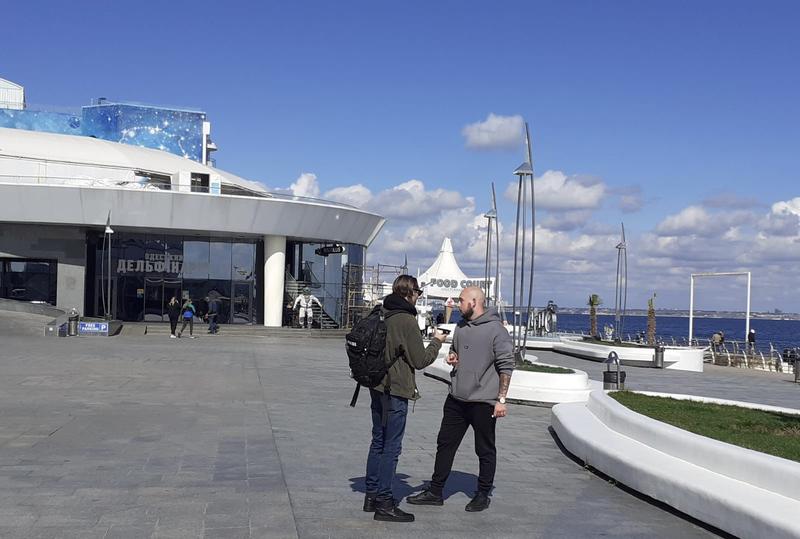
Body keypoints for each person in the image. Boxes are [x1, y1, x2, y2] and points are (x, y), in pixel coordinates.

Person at [407, 286, 514, 513]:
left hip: (484, 401)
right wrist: (453, 358)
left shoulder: (497, 331)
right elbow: (456, 352)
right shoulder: (462, 327)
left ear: (474, 302)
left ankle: (482, 493)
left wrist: (501, 399)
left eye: (461, 300)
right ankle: (435, 491)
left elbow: (506, 366)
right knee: (445, 444)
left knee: (484, 449)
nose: (457, 304)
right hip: (456, 398)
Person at [364, 275, 447, 523]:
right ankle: (385, 503)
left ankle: (371, 495)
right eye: (418, 292)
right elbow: (420, 361)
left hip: (376, 385)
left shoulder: (381, 311)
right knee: (392, 446)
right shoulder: (406, 320)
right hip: (396, 389)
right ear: (411, 293)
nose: (419, 296)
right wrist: (436, 342)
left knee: (377, 440)